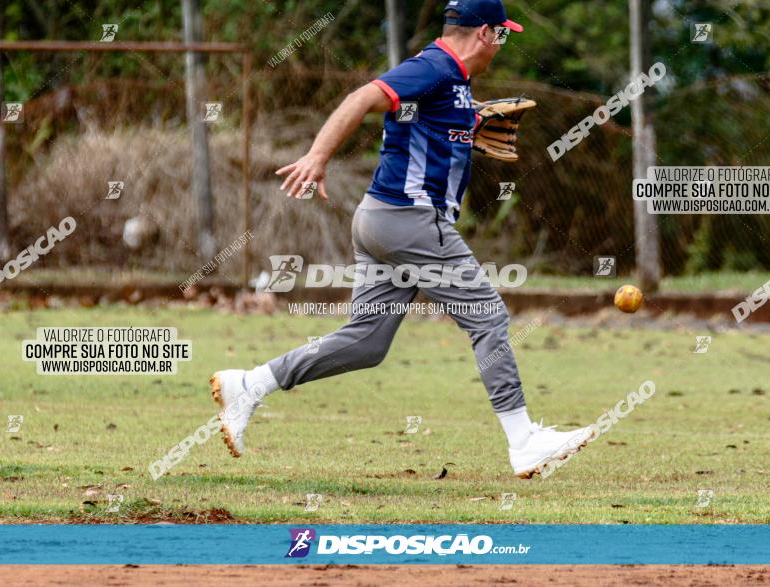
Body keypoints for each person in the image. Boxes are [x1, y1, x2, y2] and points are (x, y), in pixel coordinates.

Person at [210, 0, 596, 478]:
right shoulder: (434, 67)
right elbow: (362, 97)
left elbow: (423, 126)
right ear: (483, 34)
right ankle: (524, 442)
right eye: (502, 35)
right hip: (409, 219)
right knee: (488, 315)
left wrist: (470, 124)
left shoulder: (453, 83)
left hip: (380, 219)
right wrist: (317, 156)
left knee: (367, 342)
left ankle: (250, 384)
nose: (502, 44)